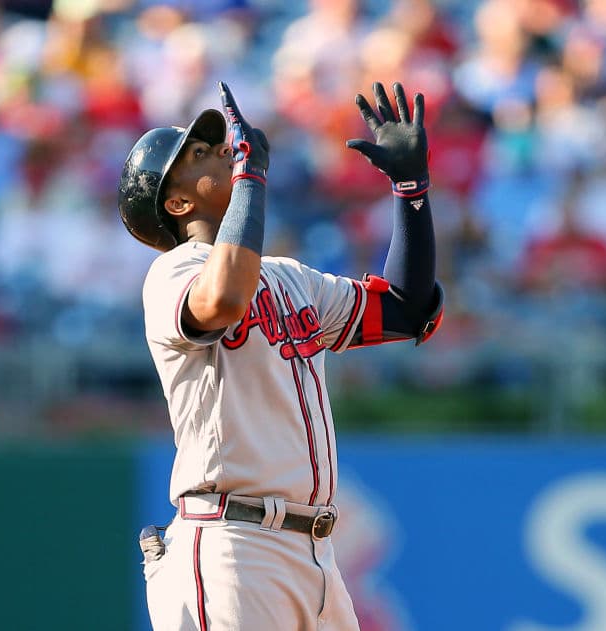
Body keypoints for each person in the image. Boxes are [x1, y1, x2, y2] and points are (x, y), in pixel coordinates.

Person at [118, 80, 443, 630]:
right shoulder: (172, 273)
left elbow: (406, 311)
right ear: (177, 203)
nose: (221, 150)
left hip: (316, 553)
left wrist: (411, 190)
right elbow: (223, 299)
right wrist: (250, 177)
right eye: (199, 154)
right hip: (232, 543)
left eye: (215, 145)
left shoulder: (291, 277)